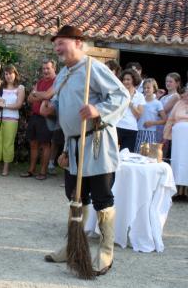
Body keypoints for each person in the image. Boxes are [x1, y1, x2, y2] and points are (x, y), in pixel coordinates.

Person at [40, 25, 129, 275]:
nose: (57, 47)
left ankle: (106, 251)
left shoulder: (94, 68)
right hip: (73, 145)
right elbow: (59, 102)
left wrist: (97, 110)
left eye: (62, 42)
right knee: (75, 197)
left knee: (102, 197)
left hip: (97, 143)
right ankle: (72, 246)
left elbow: (121, 96)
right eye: (55, 43)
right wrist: (51, 109)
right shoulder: (63, 74)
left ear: (78, 43)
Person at [20, 59, 56, 180]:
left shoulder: (56, 82)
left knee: (45, 144)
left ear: (54, 69)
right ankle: (31, 170)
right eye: (44, 68)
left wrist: (38, 94)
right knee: (33, 143)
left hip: (47, 117)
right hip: (35, 116)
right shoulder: (40, 81)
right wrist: (43, 95)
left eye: (48, 68)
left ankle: (43, 172)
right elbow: (30, 99)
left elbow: (48, 96)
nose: (45, 71)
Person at [0, 65, 25, 176]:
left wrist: (3, 104)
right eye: (6, 74)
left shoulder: (20, 88)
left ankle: (5, 168)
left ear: (15, 74)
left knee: (8, 144)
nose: (8, 76)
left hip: (11, 119)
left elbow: (18, 105)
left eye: (10, 73)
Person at [116, 68, 144, 151]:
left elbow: (138, 115)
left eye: (128, 79)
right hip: (116, 126)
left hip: (131, 129)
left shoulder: (140, 96)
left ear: (134, 80)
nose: (125, 81)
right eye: (124, 79)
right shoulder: (118, 93)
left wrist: (130, 103)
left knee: (126, 155)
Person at [134, 78, 166, 151]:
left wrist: (152, 123)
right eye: (144, 88)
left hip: (151, 132)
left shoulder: (157, 103)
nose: (146, 90)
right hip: (138, 131)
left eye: (148, 88)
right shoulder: (140, 100)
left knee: (149, 155)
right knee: (137, 152)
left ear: (154, 88)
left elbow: (164, 120)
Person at [156, 73, 181, 145]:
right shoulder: (164, 97)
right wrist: (157, 97)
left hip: (165, 127)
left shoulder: (175, 96)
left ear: (177, 83)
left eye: (170, 81)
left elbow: (162, 112)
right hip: (158, 126)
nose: (168, 83)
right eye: (166, 81)